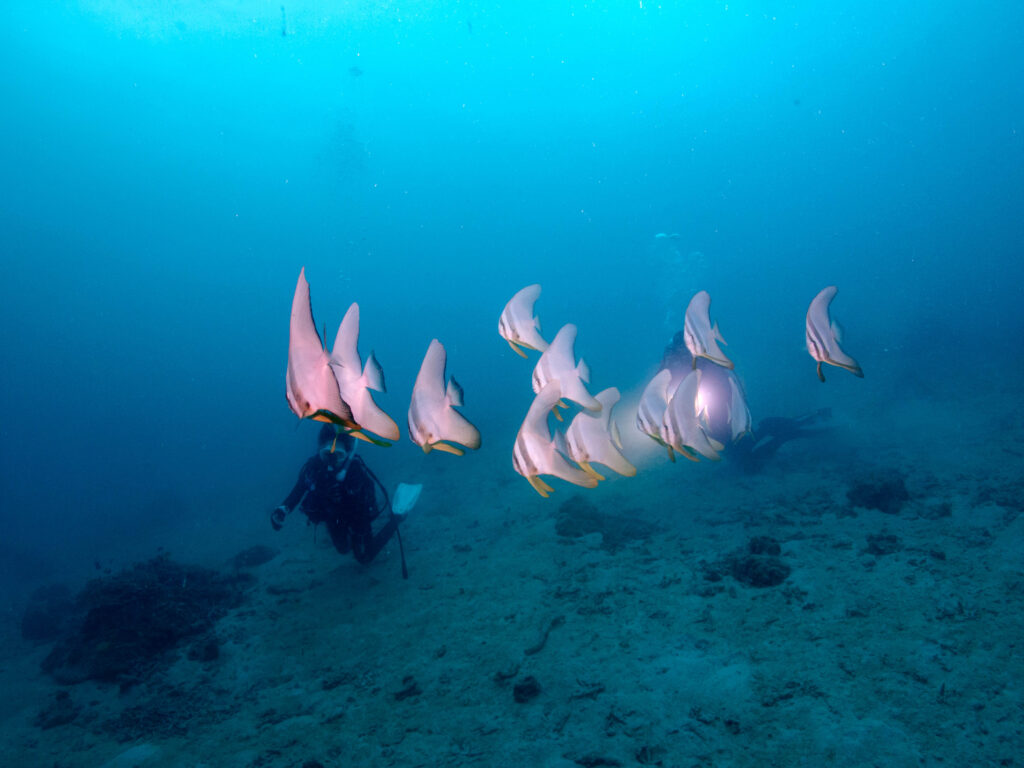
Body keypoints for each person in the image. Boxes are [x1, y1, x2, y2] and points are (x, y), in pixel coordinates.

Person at [660, 331, 832, 473]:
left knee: (743, 458)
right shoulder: (670, 355)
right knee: (737, 452)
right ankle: (789, 426)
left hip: (718, 400)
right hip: (697, 404)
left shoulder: (702, 353)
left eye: (685, 351)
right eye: (680, 351)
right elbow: (662, 378)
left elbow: (721, 376)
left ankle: (793, 429)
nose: (683, 354)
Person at [273, 425, 407, 571]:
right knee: (343, 549)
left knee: (365, 557)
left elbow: (367, 501)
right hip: (332, 517)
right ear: (319, 451)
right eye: (326, 454)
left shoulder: (355, 469)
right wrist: (282, 510)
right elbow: (298, 491)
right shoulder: (313, 468)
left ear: (347, 453)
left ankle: (397, 518)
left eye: (338, 454)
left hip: (357, 516)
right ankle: (349, 537)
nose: (332, 460)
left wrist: (350, 491)